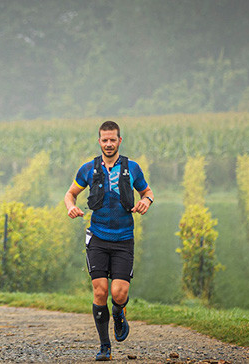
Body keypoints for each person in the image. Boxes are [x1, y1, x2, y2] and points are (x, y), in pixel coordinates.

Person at [64, 120, 154, 361]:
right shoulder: (88, 169)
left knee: (119, 293)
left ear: (119, 141)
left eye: (113, 139)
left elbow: (147, 192)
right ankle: (105, 346)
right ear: (99, 141)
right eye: (104, 139)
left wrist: (146, 201)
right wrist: (71, 207)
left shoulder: (132, 168)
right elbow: (70, 194)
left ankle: (119, 312)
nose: (109, 143)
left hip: (124, 239)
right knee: (100, 291)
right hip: (98, 238)